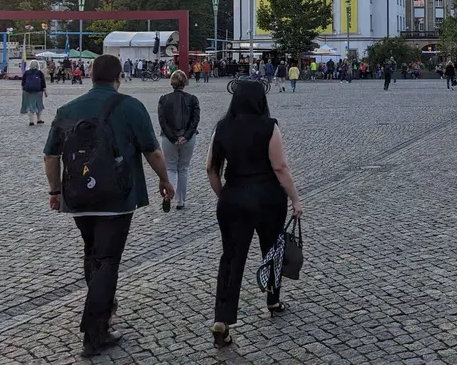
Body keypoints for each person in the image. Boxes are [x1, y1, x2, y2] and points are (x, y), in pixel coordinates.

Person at [43, 54, 175, 357]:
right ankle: (94, 330)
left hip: (77, 198)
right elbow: (152, 151)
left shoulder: (67, 109)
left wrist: (55, 190)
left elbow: (50, 155)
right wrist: (165, 180)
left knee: (92, 252)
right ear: (119, 77)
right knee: (107, 260)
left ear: (90, 75)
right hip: (118, 198)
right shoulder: (130, 106)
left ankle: (101, 305)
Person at [206, 80, 303, 347]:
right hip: (268, 198)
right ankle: (272, 299)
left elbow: (211, 169)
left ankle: (222, 319)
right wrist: (295, 198)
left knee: (231, 258)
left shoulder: (222, 127)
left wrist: (224, 195)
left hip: (234, 196)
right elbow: (280, 167)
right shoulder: (269, 126)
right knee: (272, 249)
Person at [157, 70, 201, 210]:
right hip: (188, 138)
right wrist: (186, 136)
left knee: (170, 167)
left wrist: (172, 137)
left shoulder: (164, 99)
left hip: (168, 138)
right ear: (185, 83)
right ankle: (180, 200)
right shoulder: (192, 99)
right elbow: (195, 120)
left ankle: (168, 195)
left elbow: (162, 121)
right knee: (183, 168)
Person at [21, 60, 48, 125]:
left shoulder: (26, 73)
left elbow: (23, 83)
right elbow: (43, 83)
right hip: (38, 91)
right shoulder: (39, 73)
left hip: (28, 91)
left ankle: (31, 121)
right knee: (39, 105)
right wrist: (45, 91)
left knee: (30, 106)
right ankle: (39, 119)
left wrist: (24, 90)